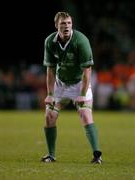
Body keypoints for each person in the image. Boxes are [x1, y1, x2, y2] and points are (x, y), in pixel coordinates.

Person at [41, 11, 102, 164]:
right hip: (60, 84)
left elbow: (87, 70)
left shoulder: (81, 41)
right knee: (49, 117)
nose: (66, 26)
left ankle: (97, 155)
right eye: (63, 23)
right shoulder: (50, 42)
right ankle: (51, 155)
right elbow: (50, 69)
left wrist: (82, 94)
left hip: (80, 83)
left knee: (85, 114)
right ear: (56, 25)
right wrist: (50, 94)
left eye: (69, 23)